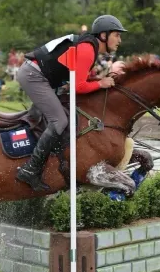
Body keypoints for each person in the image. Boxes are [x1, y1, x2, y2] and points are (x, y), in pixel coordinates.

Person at [15, 15, 127, 191]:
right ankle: (31, 168)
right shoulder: (88, 49)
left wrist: (102, 78)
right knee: (59, 120)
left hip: (39, 75)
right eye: (117, 35)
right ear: (104, 35)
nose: (120, 40)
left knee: (59, 116)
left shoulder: (90, 47)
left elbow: (81, 78)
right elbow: (78, 86)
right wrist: (101, 83)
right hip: (34, 76)